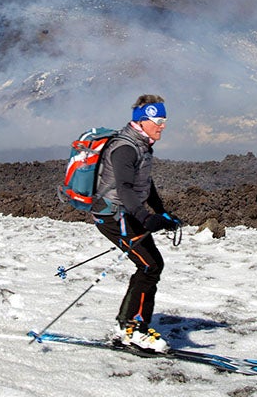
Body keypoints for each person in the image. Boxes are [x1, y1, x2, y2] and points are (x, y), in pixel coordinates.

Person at [92, 94, 181, 353]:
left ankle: (127, 327)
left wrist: (161, 212)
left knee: (152, 265)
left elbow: (145, 183)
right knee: (148, 266)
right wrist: (145, 217)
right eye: (158, 120)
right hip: (113, 216)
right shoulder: (125, 148)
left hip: (127, 213)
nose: (163, 125)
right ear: (142, 121)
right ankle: (135, 329)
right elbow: (125, 188)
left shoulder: (142, 145)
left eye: (165, 120)